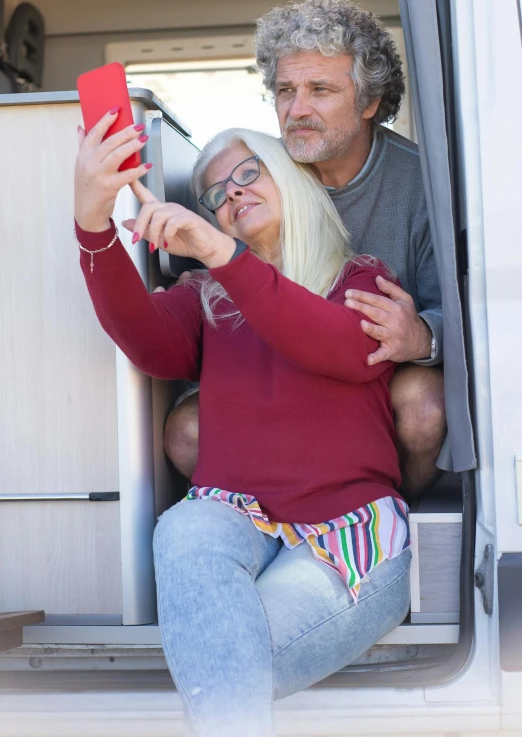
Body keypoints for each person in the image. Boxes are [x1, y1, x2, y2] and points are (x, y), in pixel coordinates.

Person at [74, 113, 411, 737]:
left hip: (348, 539)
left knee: (223, 666)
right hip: (231, 515)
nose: (232, 192)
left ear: (288, 177)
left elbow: (335, 347)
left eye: (248, 173)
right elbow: (148, 345)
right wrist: (93, 223)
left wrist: (221, 253)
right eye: (215, 192)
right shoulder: (208, 295)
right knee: (186, 527)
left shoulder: (361, 276)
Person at [165, 0, 446, 502]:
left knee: (425, 403)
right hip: (271, 369)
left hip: (372, 376)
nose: (297, 110)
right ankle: (259, 520)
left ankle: (384, 516)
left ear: (370, 102)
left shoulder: (424, 185)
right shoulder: (257, 167)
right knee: (187, 429)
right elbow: (222, 260)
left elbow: (467, 311)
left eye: (320, 89)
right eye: (285, 90)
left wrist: (423, 336)